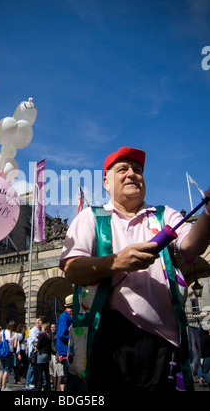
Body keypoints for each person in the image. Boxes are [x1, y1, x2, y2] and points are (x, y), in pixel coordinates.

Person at [60, 146, 210, 392]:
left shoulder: (164, 215)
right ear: (106, 183)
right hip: (108, 340)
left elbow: (193, 245)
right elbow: (72, 270)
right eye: (123, 169)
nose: (132, 173)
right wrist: (118, 261)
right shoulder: (90, 218)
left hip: (165, 344)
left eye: (138, 170)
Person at [55, 295, 73, 391]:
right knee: (67, 377)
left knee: (68, 376)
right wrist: (74, 338)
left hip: (69, 350)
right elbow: (62, 334)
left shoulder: (67, 317)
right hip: (65, 350)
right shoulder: (63, 317)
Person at [0, 320, 18, 391]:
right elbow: (15, 345)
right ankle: (3, 386)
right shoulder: (15, 334)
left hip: (2, 353)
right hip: (9, 352)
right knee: (7, 370)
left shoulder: (3, 331)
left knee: (2, 369)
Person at [25, 318, 42, 389]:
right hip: (33, 352)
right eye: (40, 322)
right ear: (37, 323)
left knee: (35, 367)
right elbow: (33, 340)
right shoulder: (32, 331)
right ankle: (28, 382)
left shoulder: (39, 331)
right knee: (31, 367)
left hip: (38, 351)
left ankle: (33, 381)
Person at [36, 322, 52, 391]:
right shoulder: (49, 335)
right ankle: (48, 387)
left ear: (44, 328)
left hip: (41, 354)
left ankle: (39, 387)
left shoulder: (42, 335)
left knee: (40, 373)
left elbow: (38, 345)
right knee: (46, 372)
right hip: (47, 355)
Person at [49, 323, 57, 388]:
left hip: (55, 353)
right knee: (50, 368)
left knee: (55, 367)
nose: (53, 328)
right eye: (52, 327)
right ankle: (51, 381)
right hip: (50, 353)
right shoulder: (49, 334)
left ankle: (54, 382)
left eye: (54, 327)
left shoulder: (57, 334)